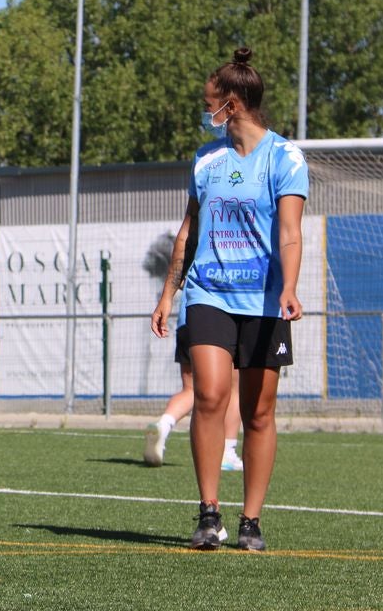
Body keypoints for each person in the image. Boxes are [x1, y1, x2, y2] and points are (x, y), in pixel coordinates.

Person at [151, 48, 308, 551]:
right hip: (209, 293)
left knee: (259, 412)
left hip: (263, 301)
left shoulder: (285, 157)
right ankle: (208, 514)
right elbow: (188, 232)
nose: (206, 111)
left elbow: (289, 232)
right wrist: (168, 293)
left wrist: (288, 285)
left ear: (233, 104)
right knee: (211, 395)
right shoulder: (205, 159)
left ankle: (251, 521)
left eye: (210, 103)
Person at [143, 317, 243, 472]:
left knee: (190, 389)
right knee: (233, 388)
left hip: (187, 321)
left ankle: (164, 424)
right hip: (219, 322)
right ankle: (227, 452)